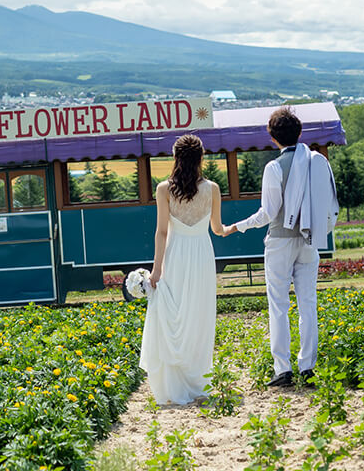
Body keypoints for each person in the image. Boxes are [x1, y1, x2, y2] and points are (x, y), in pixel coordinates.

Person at [219, 106, 339, 387]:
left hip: (280, 242)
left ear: (272, 138)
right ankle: (308, 366)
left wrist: (236, 226)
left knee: (279, 306)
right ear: (299, 134)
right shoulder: (316, 161)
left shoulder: (274, 168)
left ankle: (282, 369)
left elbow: (267, 214)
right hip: (310, 241)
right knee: (308, 304)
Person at [140, 134, 226, 404]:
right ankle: (199, 380)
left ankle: (174, 385)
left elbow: (162, 232)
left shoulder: (164, 189)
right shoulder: (212, 189)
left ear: (176, 158)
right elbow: (217, 229)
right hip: (201, 255)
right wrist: (235, 228)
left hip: (176, 256)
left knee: (175, 315)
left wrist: (156, 272)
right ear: (201, 158)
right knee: (199, 317)